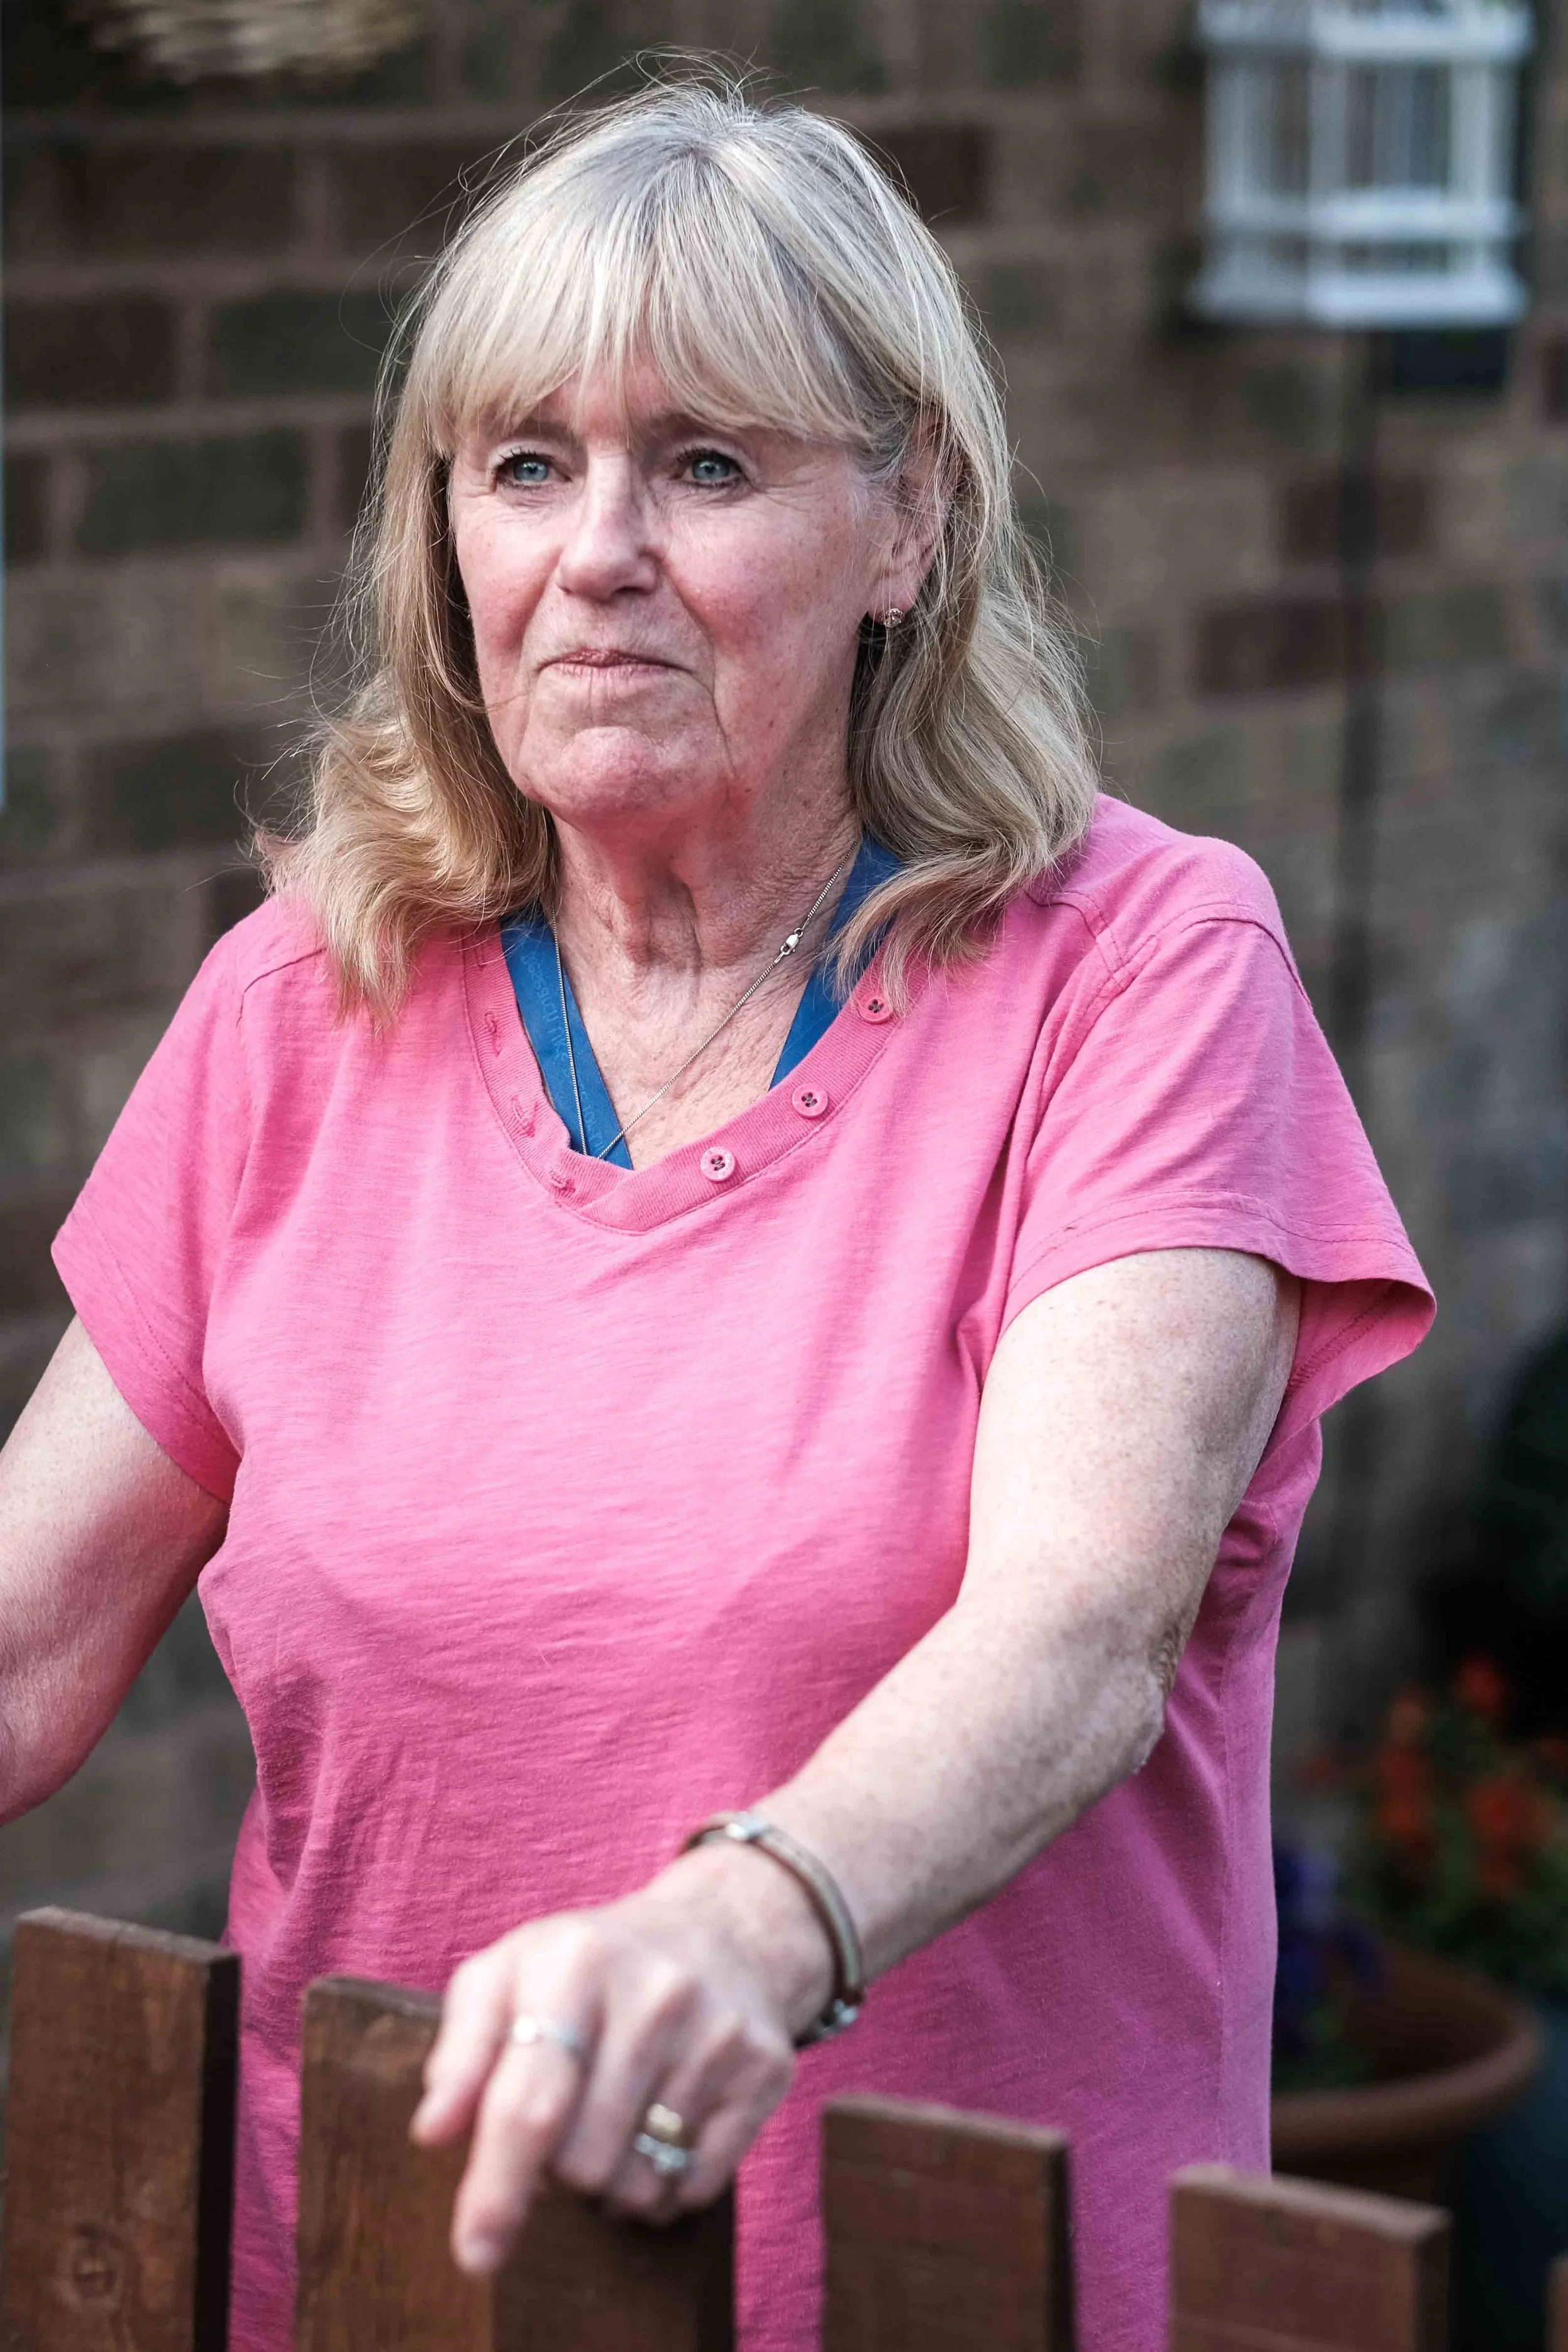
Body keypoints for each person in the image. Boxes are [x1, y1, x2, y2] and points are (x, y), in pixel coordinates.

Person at [0, 74, 1433, 2352]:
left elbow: (1076, 1629)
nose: (596, 550)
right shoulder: (306, 1002)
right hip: (375, 2289)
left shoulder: (1143, 973)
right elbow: (21, 1641)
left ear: (906, 524)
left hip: (944, 2303)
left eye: (707, 462)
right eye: (525, 464)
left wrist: (740, 1926)